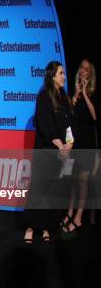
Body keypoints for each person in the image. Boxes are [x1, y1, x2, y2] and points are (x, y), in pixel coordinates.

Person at [23, 61, 73, 243]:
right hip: (47, 150)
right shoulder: (43, 96)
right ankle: (29, 227)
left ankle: (46, 227)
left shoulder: (63, 96)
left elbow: (69, 123)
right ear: (52, 76)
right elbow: (45, 125)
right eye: (61, 73)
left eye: (64, 73)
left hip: (64, 151)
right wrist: (61, 147)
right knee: (39, 190)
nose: (64, 77)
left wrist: (69, 144)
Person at [62, 59, 98, 232]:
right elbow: (69, 114)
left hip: (87, 144)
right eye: (81, 67)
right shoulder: (74, 91)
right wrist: (76, 96)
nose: (83, 70)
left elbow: (95, 116)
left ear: (90, 73)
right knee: (72, 180)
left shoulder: (92, 92)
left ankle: (78, 217)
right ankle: (69, 213)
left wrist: (84, 93)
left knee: (82, 182)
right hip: (73, 144)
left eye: (87, 69)